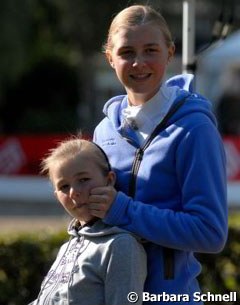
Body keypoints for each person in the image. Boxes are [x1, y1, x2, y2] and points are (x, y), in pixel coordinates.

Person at [90, 4, 228, 304]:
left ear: (170, 52)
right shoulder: (103, 131)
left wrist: (124, 211)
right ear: (110, 58)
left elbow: (210, 233)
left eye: (150, 50)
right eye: (127, 52)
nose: (139, 63)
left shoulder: (194, 128)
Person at [28, 138, 146, 305]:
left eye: (83, 180)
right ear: (56, 196)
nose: (74, 192)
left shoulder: (121, 245)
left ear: (109, 180)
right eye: (64, 187)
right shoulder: (67, 246)